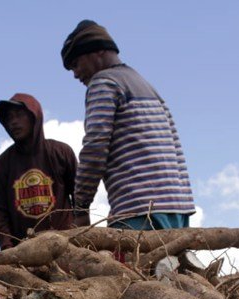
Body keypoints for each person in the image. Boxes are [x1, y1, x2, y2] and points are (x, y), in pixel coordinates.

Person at [61, 20, 196, 230]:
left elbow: (95, 148)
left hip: (140, 211)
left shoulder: (104, 83)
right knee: (167, 264)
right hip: (177, 209)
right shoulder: (144, 85)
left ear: (96, 51)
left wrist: (80, 208)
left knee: (131, 263)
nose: (76, 74)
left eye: (76, 64)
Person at [0, 93, 77, 250]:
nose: (13, 122)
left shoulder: (60, 152)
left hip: (65, 245)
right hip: (24, 251)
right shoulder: (3, 164)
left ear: (34, 116)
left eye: (19, 115)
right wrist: (7, 246)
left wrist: (80, 237)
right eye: (9, 118)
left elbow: (80, 196)